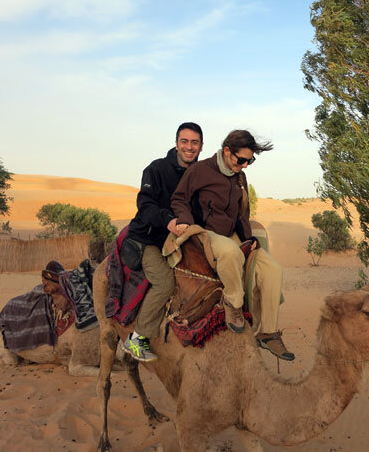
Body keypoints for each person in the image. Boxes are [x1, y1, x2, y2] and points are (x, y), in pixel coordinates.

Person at [171, 129, 295, 361]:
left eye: (250, 160)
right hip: (206, 234)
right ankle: (234, 303)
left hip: (231, 234)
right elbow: (179, 198)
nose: (246, 165)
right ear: (227, 152)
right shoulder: (200, 170)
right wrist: (185, 220)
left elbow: (242, 213)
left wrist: (249, 239)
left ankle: (267, 332)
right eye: (242, 160)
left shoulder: (239, 176)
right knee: (230, 253)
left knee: (272, 269)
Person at [121, 122, 203, 362]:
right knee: (165, 283)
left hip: (179, 241)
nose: (189, 147)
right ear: (176, 143)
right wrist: (168, 220)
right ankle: (136, 339)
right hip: (148, 240)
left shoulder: (200, 174)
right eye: (185, 141)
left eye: (194, 142)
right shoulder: (156, 169)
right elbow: (145, 207)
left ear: (201, 146)